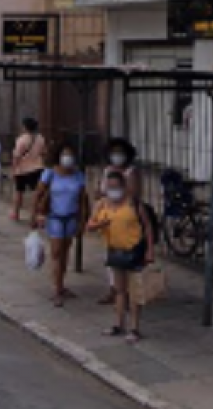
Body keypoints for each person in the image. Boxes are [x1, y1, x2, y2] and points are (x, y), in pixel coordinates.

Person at [87, 167, 154, 341]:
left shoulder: (134, 204)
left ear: (124, 187)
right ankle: (119, 324)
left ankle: (135, 328)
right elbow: (90, 226)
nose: (113, 191)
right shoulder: (102, 204)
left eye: (116, 187)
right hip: (115, 251)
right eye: (110, 187)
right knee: (119, 290)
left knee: (135, 291)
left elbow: (147, 227)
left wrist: (150, 250)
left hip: (134, 251)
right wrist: (101, 224)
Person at [33, 144, 88, 307]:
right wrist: (35, 215)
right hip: (55, 217)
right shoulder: (50, 173)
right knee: (56, 252)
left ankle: (61, 283)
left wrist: (83, 220)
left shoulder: (78, 175)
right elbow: (39, 194)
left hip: (71, 217)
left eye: (70, 155)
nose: (68, 158)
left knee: (65, 252)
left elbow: (83, 199)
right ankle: (57, 288)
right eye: (65, 154)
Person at [96, 137, 143, 306]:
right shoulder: (107, 170)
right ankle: (114, 289)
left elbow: (133, 195)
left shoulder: (131, 172)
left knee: (127, 255)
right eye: (114, 152)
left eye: (120, 153)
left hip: (125, 219)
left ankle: (127, 292)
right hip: (108, 218)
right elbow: (100, 191)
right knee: (111, 256)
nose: (117, 156)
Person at [9, 116, 48, 223]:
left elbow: (16, 156)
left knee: (19, 192)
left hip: (22, 169)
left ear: (25, 127)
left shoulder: (21, 139)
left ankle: (16, 213)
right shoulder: (40, 138)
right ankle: (36, 214)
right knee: (37, 193)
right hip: (37, 167)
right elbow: (44, 152)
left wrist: (14, 169)